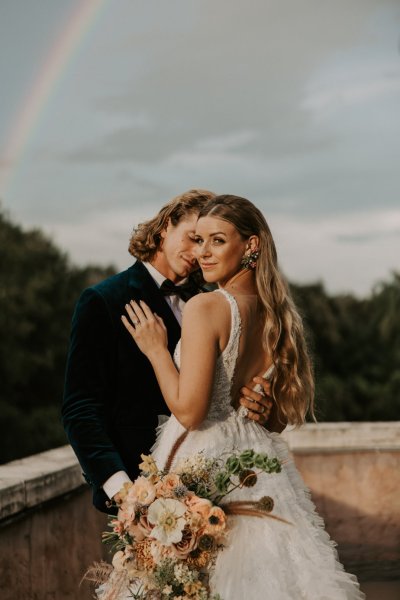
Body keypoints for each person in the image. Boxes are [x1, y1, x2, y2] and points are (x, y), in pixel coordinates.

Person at [115, 195, 365, 599]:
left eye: (217, 240)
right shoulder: (276, 313)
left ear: (250, 246)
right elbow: (277, 418)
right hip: (256, 469)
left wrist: (157, 351)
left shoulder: (206, 308)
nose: (202, 253)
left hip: (202, 462)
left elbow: (191, 412)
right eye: (198, 240)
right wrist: (262, 407)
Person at [62, 190, 273, 514]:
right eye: (192, 238)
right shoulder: (104, 300)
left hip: (211, 484)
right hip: (140, 487)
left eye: (209, 241)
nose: (198, 252)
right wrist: (121, 489)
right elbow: (80, 408)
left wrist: (256, 405)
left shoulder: (210, 302)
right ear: (165, 227)